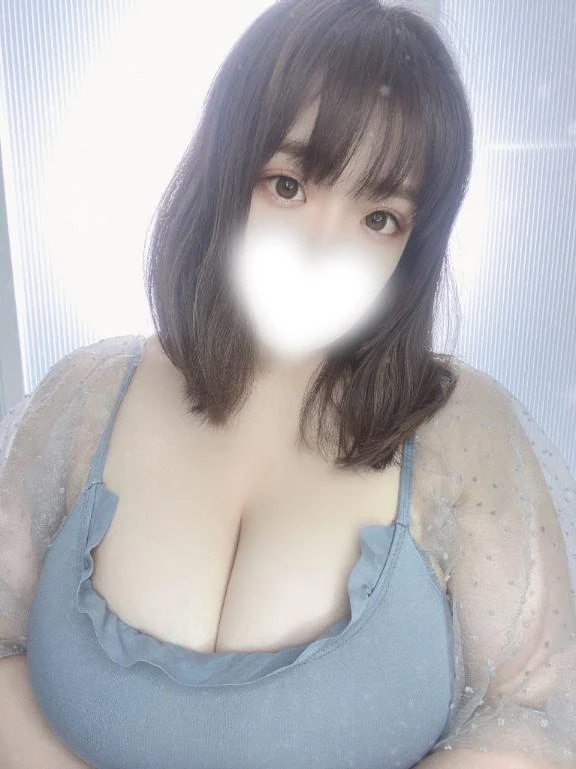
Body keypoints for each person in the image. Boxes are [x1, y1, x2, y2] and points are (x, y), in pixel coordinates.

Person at [1, 1, 575, 768]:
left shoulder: (464, 429)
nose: (321, 248)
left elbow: (534, 712)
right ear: (224, 171)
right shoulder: (85, 397)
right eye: (289, 184)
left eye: (380, 217)